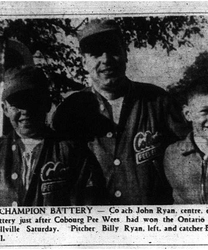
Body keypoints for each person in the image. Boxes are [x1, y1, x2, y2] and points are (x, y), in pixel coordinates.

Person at [52, 19, 183, 205]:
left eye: (113, 50)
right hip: (93, 227)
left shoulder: (158, 101)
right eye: (96, 53)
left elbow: (191, 155)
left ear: (125, 54)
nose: (105, 59)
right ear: (84, 61)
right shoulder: (70, 110)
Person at [0, 65, 105, 206]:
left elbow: (88, 207)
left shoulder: (72, 151)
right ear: (5, 109)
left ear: (47, 103)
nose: (26, 111)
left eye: (32, 101)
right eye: (17, 103)